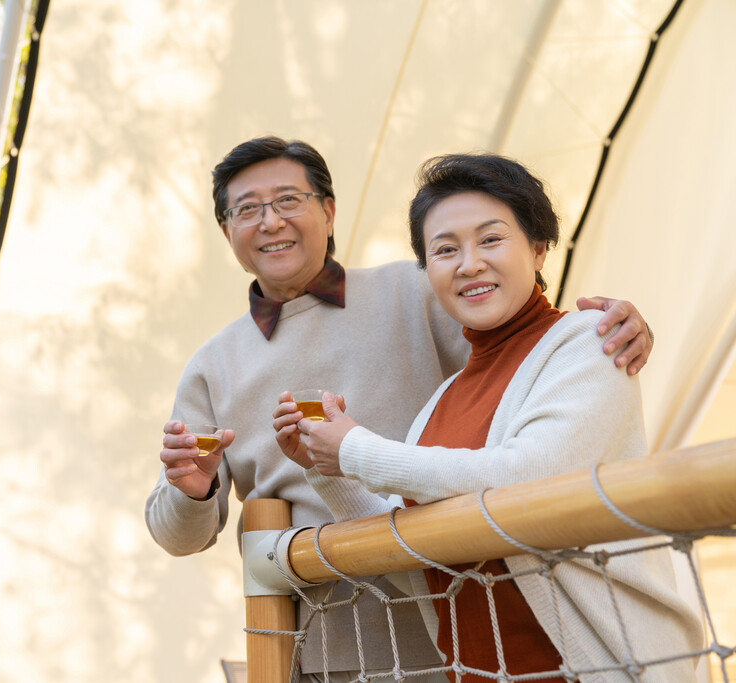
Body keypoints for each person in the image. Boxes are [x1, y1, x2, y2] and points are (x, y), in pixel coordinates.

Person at [144, 137, 655, 683]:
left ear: (329, 209)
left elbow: (532, 364)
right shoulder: (211, 366)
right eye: (247, 209)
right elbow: (179, 536)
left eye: (289, 199)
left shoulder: (422, 289)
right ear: (226, 230)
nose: (271, 222)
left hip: (471, 629)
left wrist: (613, 324)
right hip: (325, 651)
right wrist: (192, 489)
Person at [272, 153, 702, 682]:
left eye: (491, 239)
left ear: (539, 248)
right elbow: (412, 559)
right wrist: (327, 465)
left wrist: (354, 447)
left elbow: (523, 480)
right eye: (445, 250)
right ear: (428, 272)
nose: (468, 263)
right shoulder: (444, 398)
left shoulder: (590, 344)